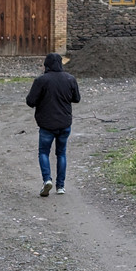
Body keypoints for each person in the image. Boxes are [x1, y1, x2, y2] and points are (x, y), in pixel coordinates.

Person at [26, 52, 81, 197]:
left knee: (44, 152)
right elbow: (76, 99)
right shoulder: (70, 79)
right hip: (64, 123)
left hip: (46, 124)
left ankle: (47, 180)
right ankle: (60, 186)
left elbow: (30, 101)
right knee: (61, 153)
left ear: (47, 65)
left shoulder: (41, 80)